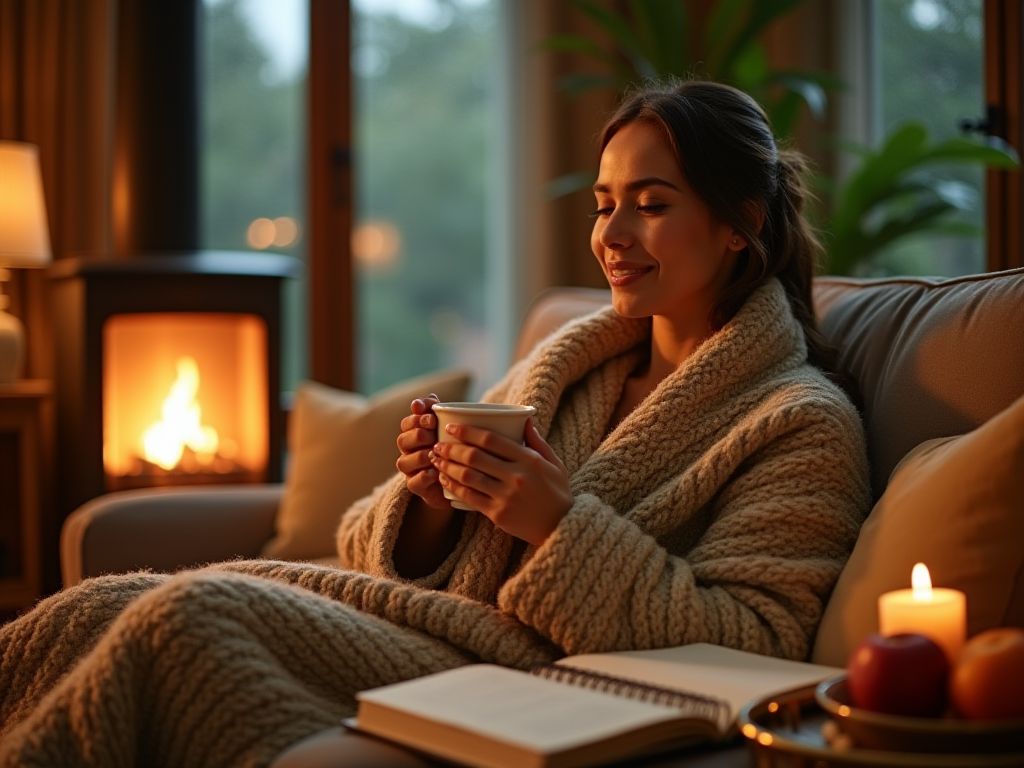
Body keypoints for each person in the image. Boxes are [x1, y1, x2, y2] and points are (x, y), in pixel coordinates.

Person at [0, 80, 870, 767]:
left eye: (650, 204)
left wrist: (555, 524)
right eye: (604, 204)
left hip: (528, 673)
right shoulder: (570, 367)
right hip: (433, 624)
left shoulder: (799, 422)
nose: (611, 235)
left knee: (189, 616)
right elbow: (365, 539)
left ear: (740, 224)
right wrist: (427, 501)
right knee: (92, 607)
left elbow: (758, 642)